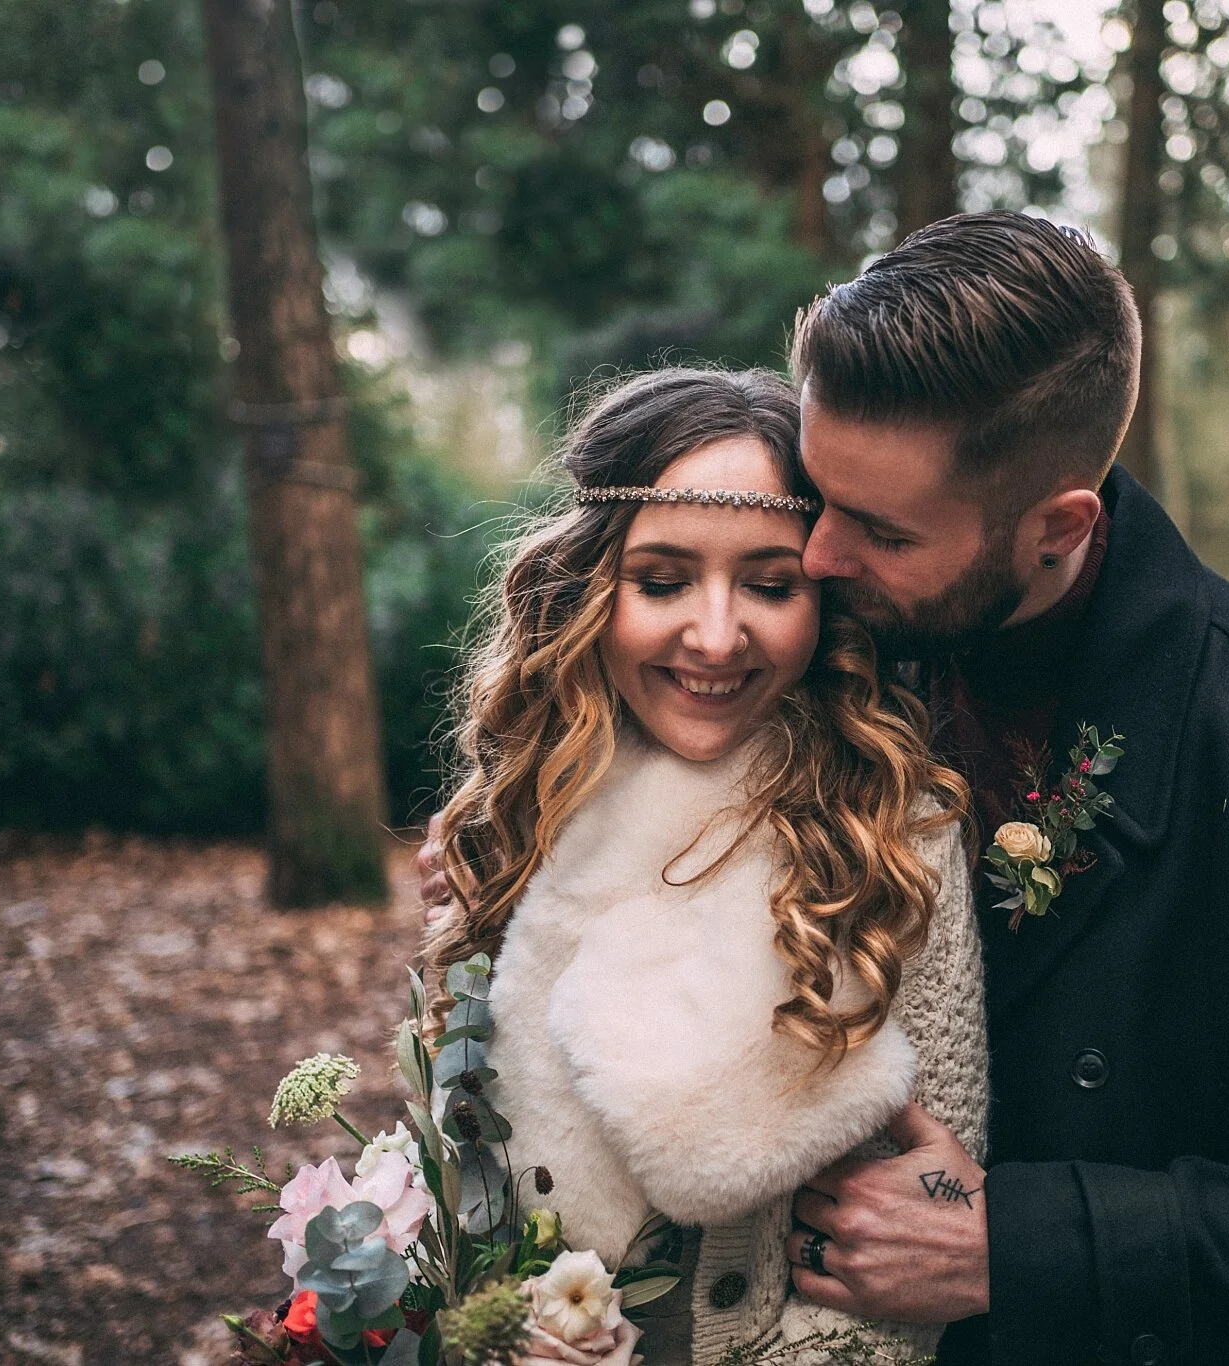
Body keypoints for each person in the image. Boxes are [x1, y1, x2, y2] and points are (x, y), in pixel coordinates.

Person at [423, 215, 1229, 1364]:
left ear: (1054, 526)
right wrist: (531, 832)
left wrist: (1016, 1248)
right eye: (817, 494)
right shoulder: (836, 641)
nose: (818, 556)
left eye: (876, 529)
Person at [419, 366, 989, 1366]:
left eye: (770, 585)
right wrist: (501, 1330)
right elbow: (453, 1146)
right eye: (662, 580)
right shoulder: (526, 808)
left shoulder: (894, 833)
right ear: (593, 588)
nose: (716, 634)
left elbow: (912, 1245)